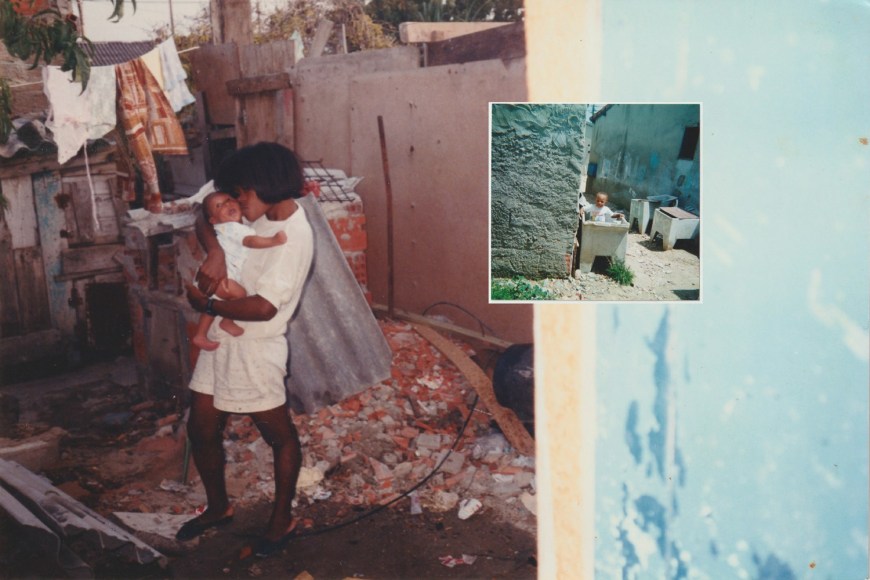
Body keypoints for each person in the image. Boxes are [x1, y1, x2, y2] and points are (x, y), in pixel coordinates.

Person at [178, 142, 314, 558]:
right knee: (200, 427)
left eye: (240, 196)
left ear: (262, 186)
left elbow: (263, 307)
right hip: (223, 339)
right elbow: (204, 211)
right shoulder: (252, 215)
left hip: (257, 348)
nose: (234, 205)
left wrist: (208, 306)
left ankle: (281, 520)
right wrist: (217, 249)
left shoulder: (292, 238)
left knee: (279, 436)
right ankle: (219, 507)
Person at [191, 191, 287, 352]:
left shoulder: (229, 228)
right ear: (214, 220)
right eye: (219, 206)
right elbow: (250, 241)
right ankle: (227, 322)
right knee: (240, 295)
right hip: (221, 277)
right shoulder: (232, 228)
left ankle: (200, 335)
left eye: (229, 200)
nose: (228, 204)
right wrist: (273, 241)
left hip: (214, 277)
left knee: (212, 304)